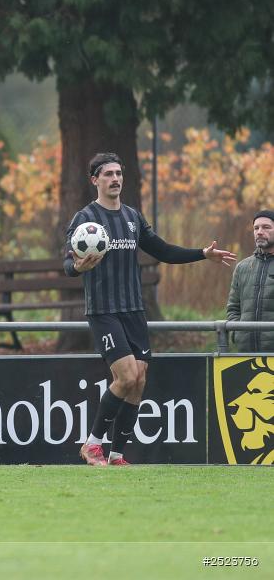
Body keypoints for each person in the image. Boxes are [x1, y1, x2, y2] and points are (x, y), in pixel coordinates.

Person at [64, 152, 236, 466]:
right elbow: (67, 265)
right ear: (95, 181)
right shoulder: (84, 219)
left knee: (139, 379)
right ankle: (92, 445)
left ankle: (116, 455)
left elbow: (162, 250)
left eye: (118, 173)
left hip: (133, 309)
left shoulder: (132, 217)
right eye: (108, 174)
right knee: (126, 374)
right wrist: (77, 266)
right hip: (104, 310)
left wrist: (202, 253)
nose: (115, 179)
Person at [226, 210, 274, 353]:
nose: (259, 232)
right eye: (256, 228)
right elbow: (233, 308)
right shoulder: (242, 267)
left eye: (266, 227)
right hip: (246, 354)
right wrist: (237, 334)